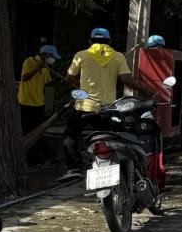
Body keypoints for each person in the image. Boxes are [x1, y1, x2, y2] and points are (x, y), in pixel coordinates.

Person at [63, 27, 147, 174]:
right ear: (109, 41)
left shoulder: (81, 55)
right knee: (112, 138)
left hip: (83, 107)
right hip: (106, 109)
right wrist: (146, 91)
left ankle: (74, 169)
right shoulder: (118, 56)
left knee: (70, 137)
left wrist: (81, 87)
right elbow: (126, 79)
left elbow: (69, 77)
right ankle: (114, 167)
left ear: (90, 41)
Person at [18, 44, 61, 134]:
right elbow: (24, 78)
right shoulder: (29, 61)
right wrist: (37, 68)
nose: (53, 59)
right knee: (26, 130)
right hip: (27, 102)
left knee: (37, 130)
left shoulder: (46, 67)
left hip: (39, 103)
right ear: (45, 55)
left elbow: (48, 83)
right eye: (52, 56)